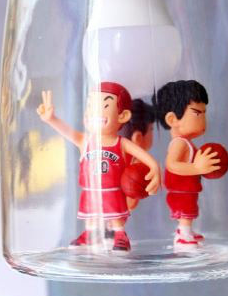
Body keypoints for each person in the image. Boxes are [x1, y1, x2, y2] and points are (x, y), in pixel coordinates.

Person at [36, 83, 160, 251]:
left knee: (116, 216)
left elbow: (144, 156)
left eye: (105, 106)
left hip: (114, 189)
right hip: (91, 189)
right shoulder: (85, 140)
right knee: (91, 215)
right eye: (91, 106)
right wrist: (51, 119)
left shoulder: (121, 143)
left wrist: (154, 168)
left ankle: (120, 235)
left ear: (123, 115)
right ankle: (90, 234)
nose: (95, 112)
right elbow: (66, 131)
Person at [154, 80, 220, 252]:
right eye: (197, 113)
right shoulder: (179, 143)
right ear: (172, 119)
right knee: (186, 210)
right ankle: (183, 235)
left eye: (204, 114)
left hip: (188, 189)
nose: (203, 120)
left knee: (190, 210)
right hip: (180, 190)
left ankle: (185, 231)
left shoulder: (187, 143)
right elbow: (171, 164)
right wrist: (198, 168)